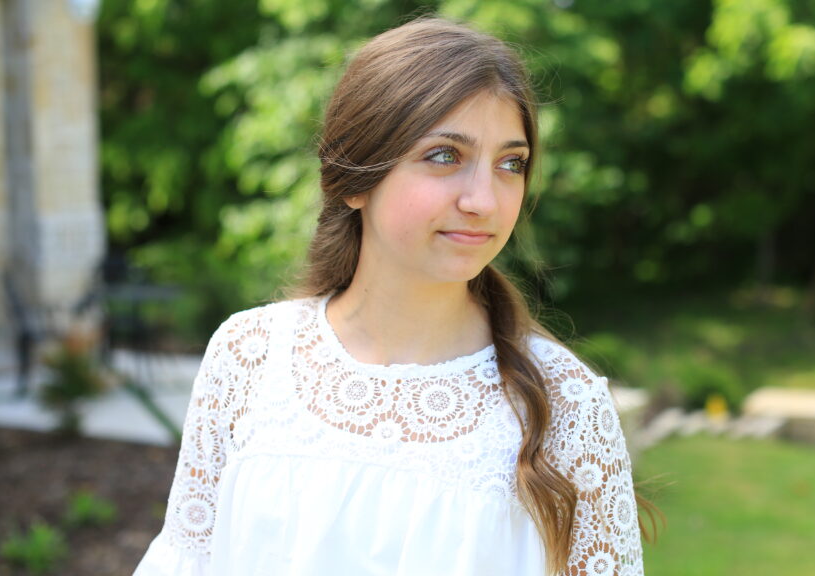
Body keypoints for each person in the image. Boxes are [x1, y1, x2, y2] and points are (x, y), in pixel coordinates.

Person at [134, 16, 644, 576]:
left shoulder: (566, 407)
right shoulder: (248, 356)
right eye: (445, 155)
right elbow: (186, 560)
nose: (484, 199)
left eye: (510, 164)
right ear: (355, 179)